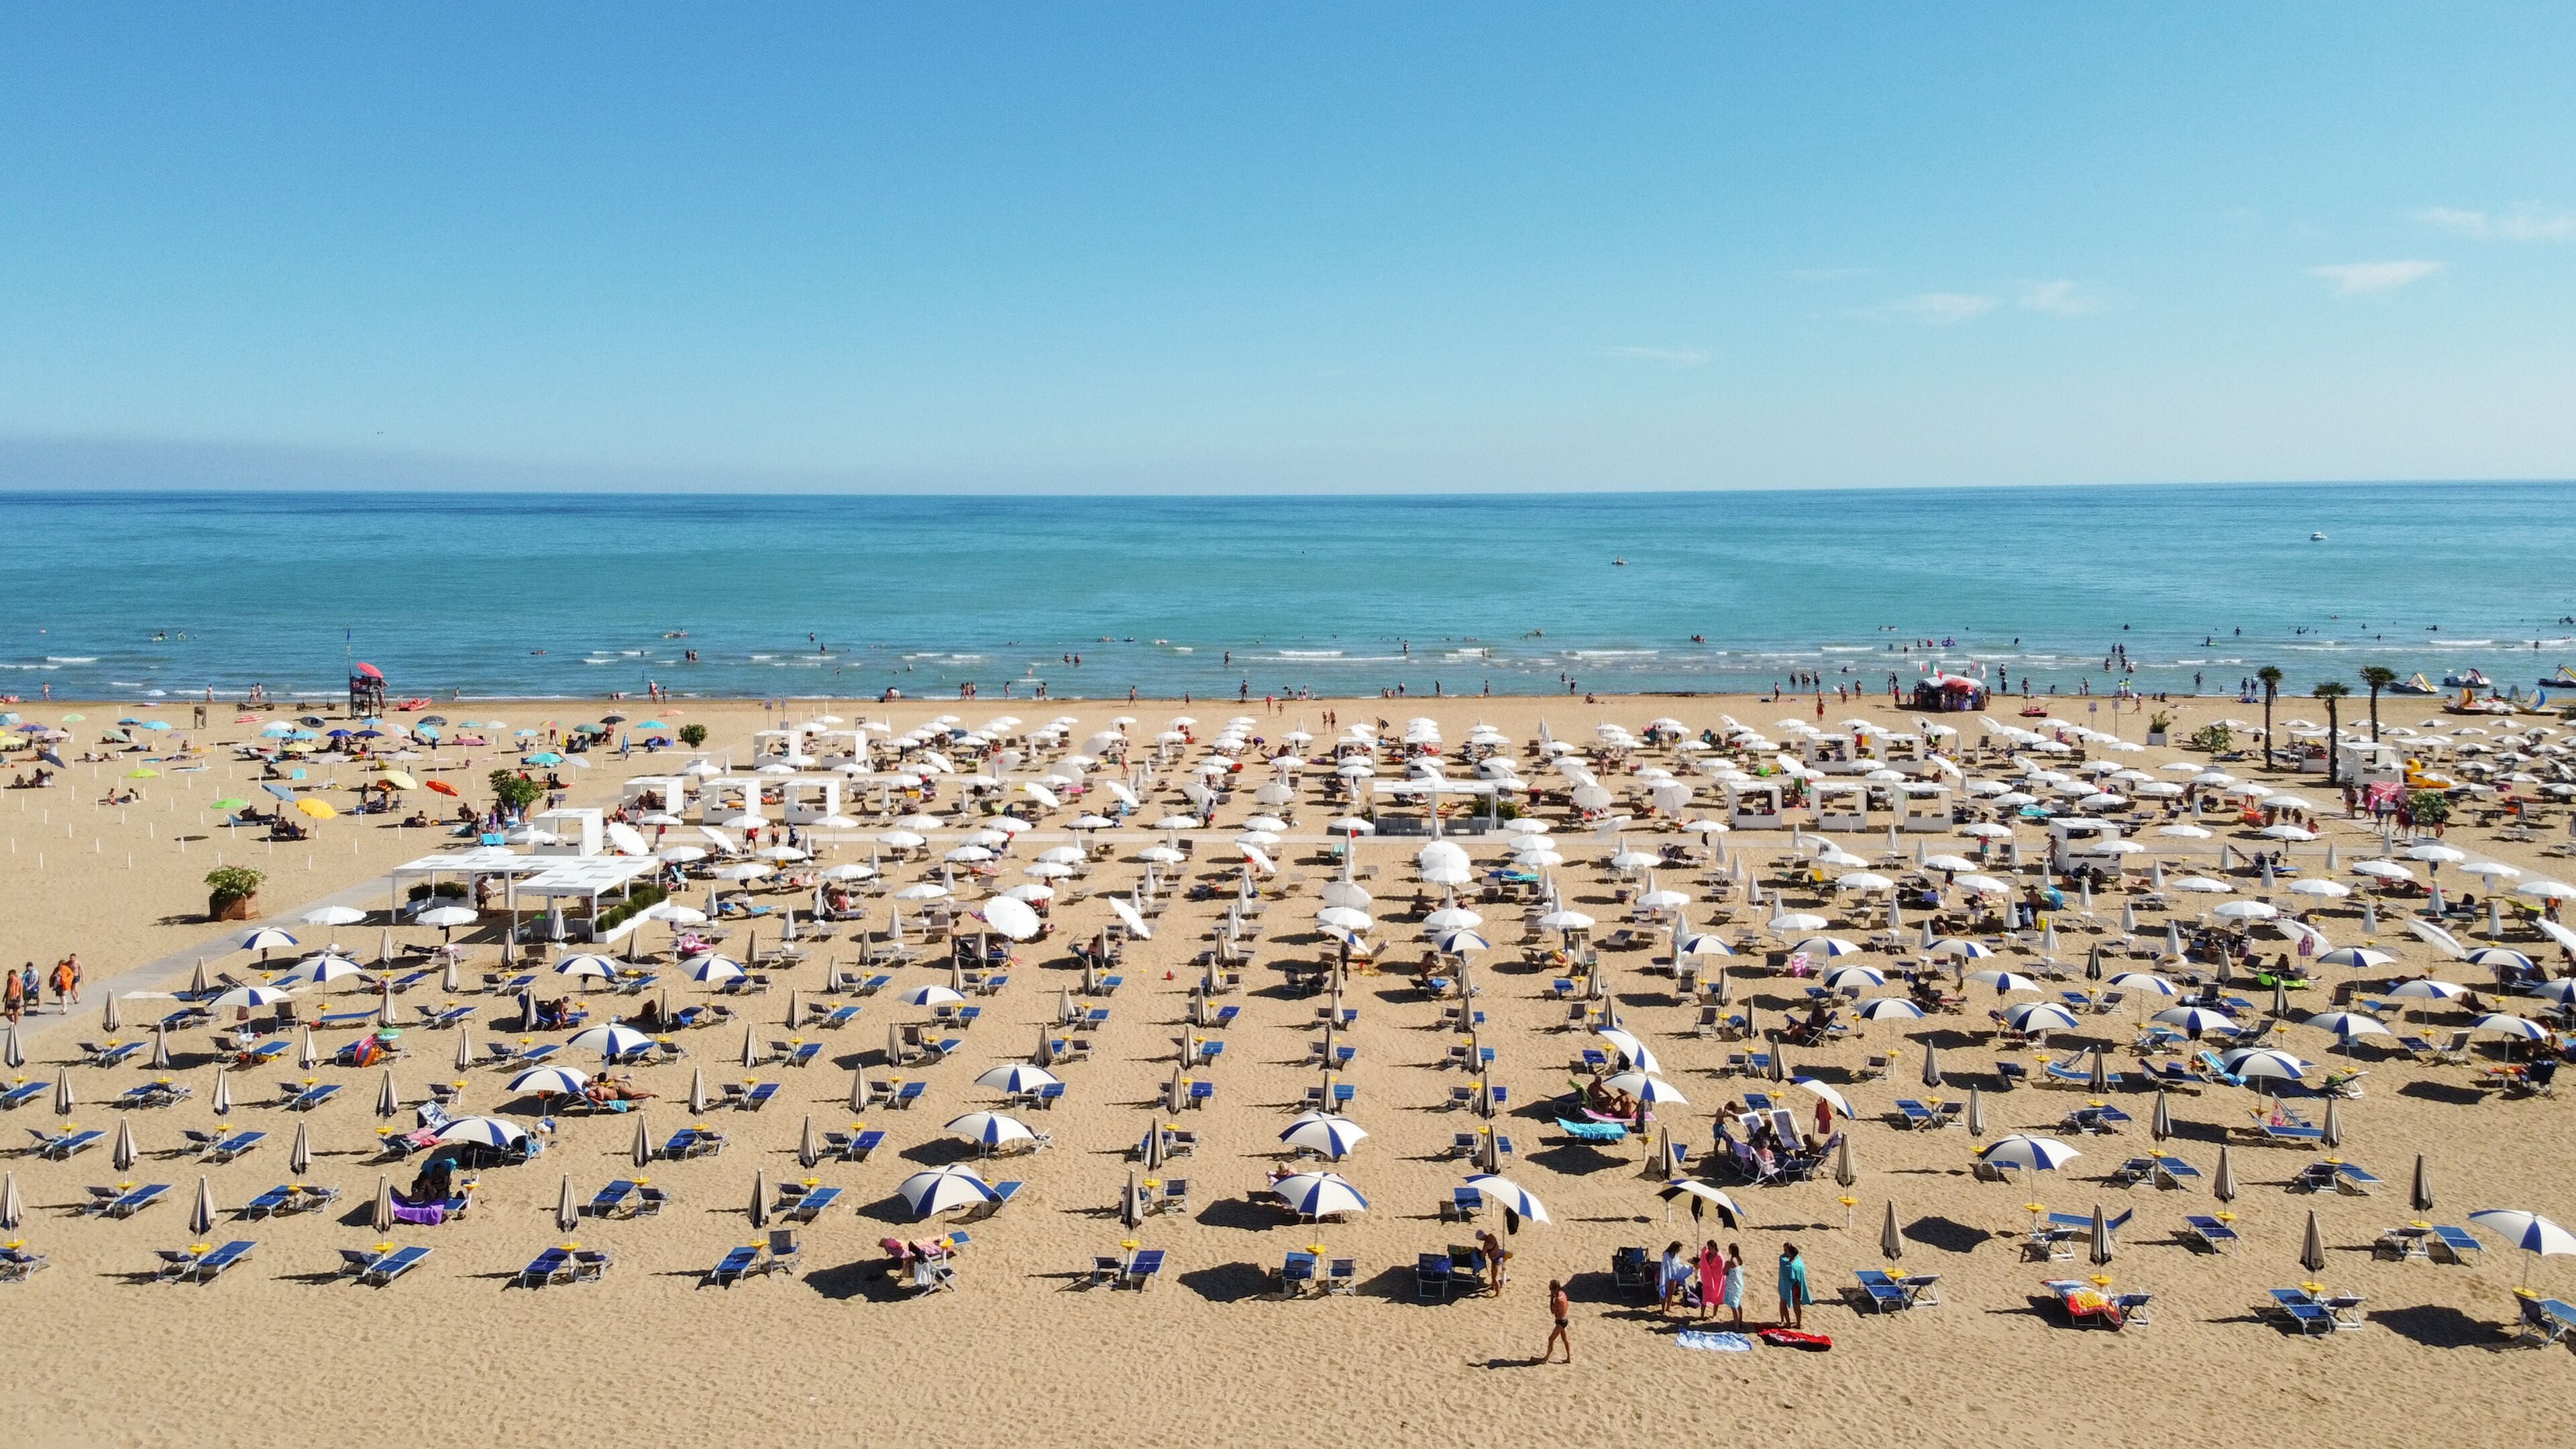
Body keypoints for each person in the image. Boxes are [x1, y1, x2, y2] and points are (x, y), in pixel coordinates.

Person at [1776, 1242, 1809, 1329]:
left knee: (1784, 1303)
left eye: (1786, 1251)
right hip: (1797, 1286)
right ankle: (1797, 1324)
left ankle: (1788, 1323)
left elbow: (1785, 1269)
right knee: (1797, 1305)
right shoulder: (1799, 1262)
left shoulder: (1786, 1263)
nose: (1784, 1253)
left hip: (1789, 1286)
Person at [1658, 1240, 1690, 1316]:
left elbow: (1677, 1265)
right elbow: (1665, 1266)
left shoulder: (1676, 1255)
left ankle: (1668, 1308)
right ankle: (1663, 1310)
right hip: (1667, 1276)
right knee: (1665, 1293)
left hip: (1674, 1276)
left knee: (1671, 1292)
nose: (1679, 1251)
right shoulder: (1666, 1255)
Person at [1542, 1279, 1572, 1364]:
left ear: (1556, 1289)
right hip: (1565, 1319)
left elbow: (1553, 1311)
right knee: (1565, 1339)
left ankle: (1546, 1357)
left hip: (1560, 1322)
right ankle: (1568, 1358)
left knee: (1551, 1339)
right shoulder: (1563, 1294)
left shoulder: (1558, 1300)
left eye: (1551, 1289)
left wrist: (1551, 1300)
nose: (1550, 1291)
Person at [1697, 1240, 1727, 1321]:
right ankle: (1702, 1315)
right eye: (1708, 1248)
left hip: (1717, 1280)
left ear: (1714, 1248)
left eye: (1711, 1248)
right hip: (1708, 1280)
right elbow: (1704, 1261)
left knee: (1716, 1297)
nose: (1709, 1250)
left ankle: (1714, 1314)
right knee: (1705, 1297)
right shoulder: (1708, 1254)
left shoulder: (1720, 1258)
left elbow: (1721, 1271)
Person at [1721, 1241, 1747, 1327]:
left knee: (1734, 1306)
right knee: (1738, 1303)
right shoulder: (1741, 1260)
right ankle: (1740, 1321)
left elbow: (1723, 1272)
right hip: (1739, 1283)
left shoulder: (1730, 1262)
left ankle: (1737, 1326)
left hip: (1733, 1285)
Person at [1477, 1228, 1509, 1295]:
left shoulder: (1486, 1245)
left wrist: (1480, 1255)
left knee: (1495, 1278)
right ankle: (1493, 1286)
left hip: (1496, 1260)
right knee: (1492, 1273)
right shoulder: (1491, 1236)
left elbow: (1483, 1254)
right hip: (1499, 1255)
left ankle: (1498, 1292)